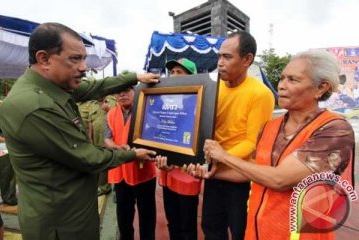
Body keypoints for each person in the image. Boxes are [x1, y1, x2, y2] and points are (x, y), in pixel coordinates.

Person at [0, 22, 160, 240]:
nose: (84, 67)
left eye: (83, 58)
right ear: (44, 59)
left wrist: (135, 78)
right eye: (75, 59)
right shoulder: (35, 106)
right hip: (61, 223)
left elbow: (95, 87)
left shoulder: (53, 86)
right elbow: (88, 157)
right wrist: (133, 154)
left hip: (71, 212)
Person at [187, 50, 355, 240]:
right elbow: (253, 170)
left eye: (293, 80)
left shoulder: (334, 129)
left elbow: (280, 179)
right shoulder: (271, 127)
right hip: (258, 231)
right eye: (282, 78)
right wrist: (208, 172)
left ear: (321, 88)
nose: (281, 86)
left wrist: (223, 155)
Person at [197, 31, 274, 240]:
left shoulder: (261, 94)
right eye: (219, 56)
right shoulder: (213, 88)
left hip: (240, 176)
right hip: (213, 171)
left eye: (227, 57)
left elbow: (252, 142)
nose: (220, 63)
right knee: (211, 228)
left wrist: (219, 158)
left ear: (247, 60)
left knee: (241, 231)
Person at [156, 58, 202, 240]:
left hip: (187, 177)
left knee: (187, 227)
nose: (174, 76)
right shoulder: (163, 103)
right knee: (172, 222)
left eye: (179, 72)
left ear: (191, 77)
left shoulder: (199, 105)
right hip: (166, 176)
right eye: (172, 72)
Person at [104, 85, 157, 240]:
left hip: (144, 173)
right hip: (121, 173)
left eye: (126, 91)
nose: (122, 95)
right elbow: (107, 139)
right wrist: (117, 147)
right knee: (124, 215)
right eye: (118, 92)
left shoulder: (148, 111)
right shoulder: (110, 115)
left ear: (135, 92)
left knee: (147, 215)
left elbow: (155, 136)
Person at [87, 95, 117, 196]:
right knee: (99, 164)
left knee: (113, 164)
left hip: (110, 140)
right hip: (97, 140)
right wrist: (90, 138)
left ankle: (111, 189)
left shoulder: (112, 101)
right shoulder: (92, 104)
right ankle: (103, 187)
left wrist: (109, 109)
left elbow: (119, 116)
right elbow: (90, 122)